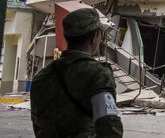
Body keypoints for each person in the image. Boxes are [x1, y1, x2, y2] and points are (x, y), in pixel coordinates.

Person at [31, 8, 123, 137]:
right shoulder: (97, 75)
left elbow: (38, 125)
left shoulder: (42, 77)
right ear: (94, 37)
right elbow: (109, 126)